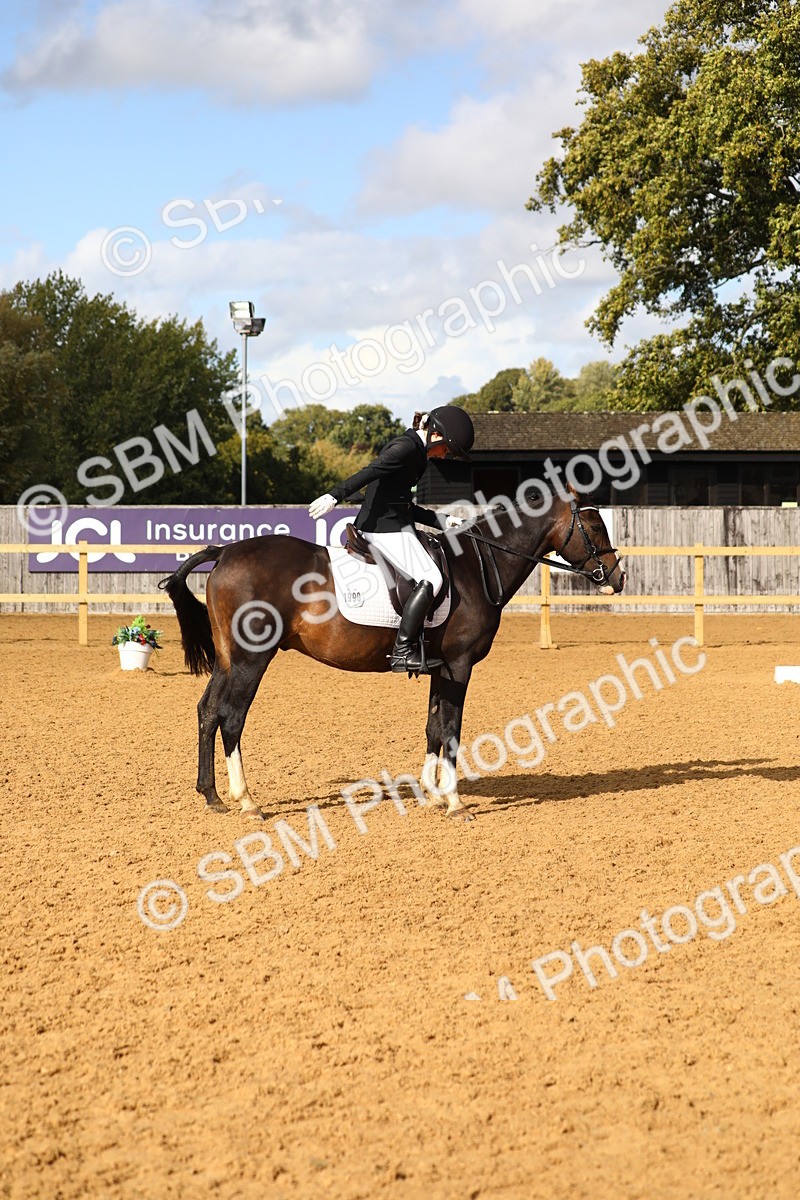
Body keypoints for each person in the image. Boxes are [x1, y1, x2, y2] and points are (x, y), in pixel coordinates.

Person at [308, 406, 475, 673]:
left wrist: (444, 521)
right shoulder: (406, 448)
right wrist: (334, 495)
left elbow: (404, 505)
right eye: (447, 449)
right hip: (382, 529)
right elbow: (370, 471)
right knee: (433, 579)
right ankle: (402, 651)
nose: (445, 455)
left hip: (395, 524)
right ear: (435, 435)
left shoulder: (417, 452)